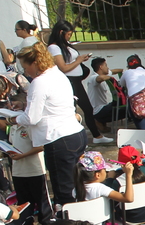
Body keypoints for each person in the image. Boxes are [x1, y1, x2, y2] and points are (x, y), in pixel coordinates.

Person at [16, 42, 88, 207]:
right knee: (77, 185)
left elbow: (32, 118)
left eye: (25, 67)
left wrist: (14, 119)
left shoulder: (39, 82)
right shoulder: (57, 74)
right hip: (75, 134)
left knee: (64, 191)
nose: (26, 72)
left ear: (34, 63)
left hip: (59, 139)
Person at [47, 21, 109, 144]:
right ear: (61, 32)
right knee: (71, 110)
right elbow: (63, 67)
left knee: (87, 108)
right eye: (68, 34)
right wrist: (78, 60)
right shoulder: (54, 47)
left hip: (76, 81)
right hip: (68, 81)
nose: (70, 36)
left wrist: (81, 59)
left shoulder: (65, 45)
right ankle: (74, 139)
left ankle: (97, 136)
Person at [87, 58, 120, 135]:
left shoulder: (103, 74)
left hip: (103, 107)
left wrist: (124, 71)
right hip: (98, 111)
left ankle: (101, 121)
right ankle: (97, 120)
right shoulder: (93, 78)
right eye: (106, 65)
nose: (107, 68)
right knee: (127, 108)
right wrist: (112, 79)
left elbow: (113, 71)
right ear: (101, 67)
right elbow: (100, 78)